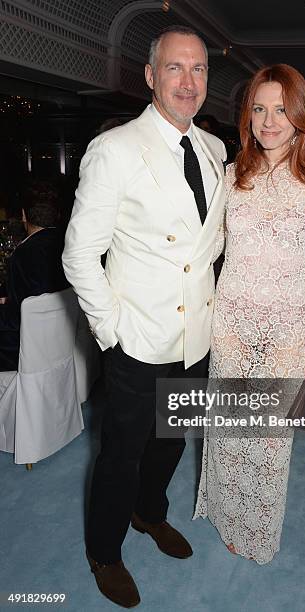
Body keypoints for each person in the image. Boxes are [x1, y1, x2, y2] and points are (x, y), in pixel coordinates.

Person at [62, 26, 226, 608]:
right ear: (151, 77)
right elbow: (80, 254)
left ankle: (147, 513)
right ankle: (104, 550)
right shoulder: (116, 149)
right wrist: (112, 333)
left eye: (199, 69)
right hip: (137, 338)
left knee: (172, 442)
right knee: (121, 454)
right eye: (175, 69)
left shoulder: (214, 150)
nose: (188, 81)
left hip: (195, 336)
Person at [193, 64, 305, 564]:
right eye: (259, 108)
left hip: (286, 328)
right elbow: (210, 244)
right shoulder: (234, 172)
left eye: (281, 109)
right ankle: (224, 510)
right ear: (247, 115)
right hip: (232, 319)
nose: (269, 120)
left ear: (301, 115)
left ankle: (256, 528)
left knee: (270, 435)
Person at [0, 180, 68, 371]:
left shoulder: (22, 256)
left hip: (25, 351)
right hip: (62, 340)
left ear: (23, 215)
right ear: (58, 215)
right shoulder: (69, 245)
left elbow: (15, 320)